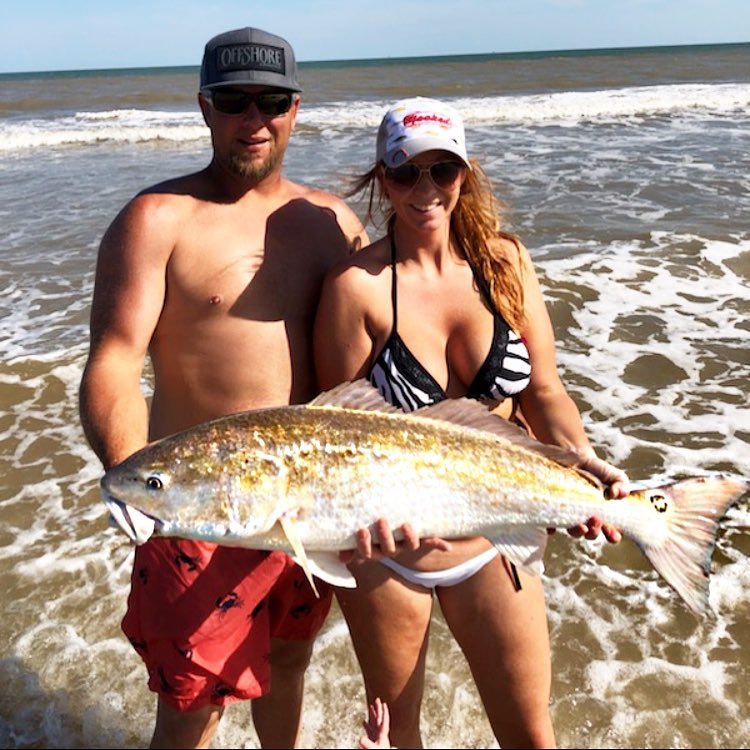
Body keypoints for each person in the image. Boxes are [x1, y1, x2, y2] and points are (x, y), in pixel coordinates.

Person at [78, 26, 371, 749]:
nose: (254, 119)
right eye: (234, 101)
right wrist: (129, 478)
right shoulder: (157, 220)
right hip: (195, 513)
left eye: (270, 101)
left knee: (289, 662)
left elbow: (379, 364)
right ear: (205, 108)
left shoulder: (332, 223)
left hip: (311, 507)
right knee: (191, 703)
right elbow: (113, 363)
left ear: (295, 109)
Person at [314, 97, 629, 749]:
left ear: (465, 173)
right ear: (382, 177)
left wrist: (582, 462)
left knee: (531, 735)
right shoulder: (358, 289)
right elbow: (336, 435)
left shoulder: (504, 263)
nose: (425, 189)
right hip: (391, 555)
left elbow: (544, 392)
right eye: (405, 173)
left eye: (442, 170)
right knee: (399, 737)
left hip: (495, 535)